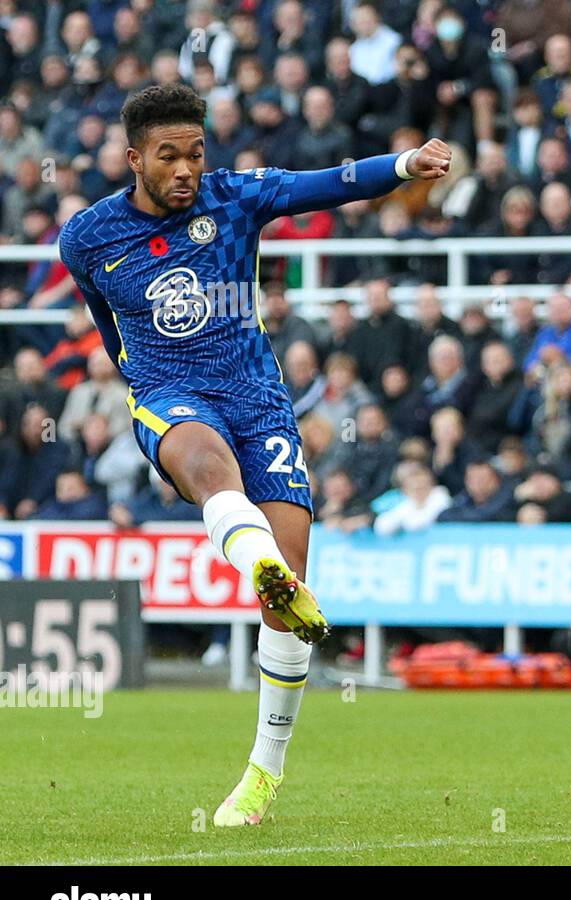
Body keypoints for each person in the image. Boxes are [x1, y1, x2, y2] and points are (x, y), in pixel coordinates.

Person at [57, 84, 453, 828]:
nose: (185, 170)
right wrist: (136, 374)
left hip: (257, 396)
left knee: (289, 587)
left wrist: (402, 163)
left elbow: (327, 184)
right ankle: (257, 560)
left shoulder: (235, 198)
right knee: (208, 467)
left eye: (195, 154)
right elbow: (105, 324)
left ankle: (263, 773)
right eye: (168, 157)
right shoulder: (87, 236)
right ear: (134, 158)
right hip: (171, 394)